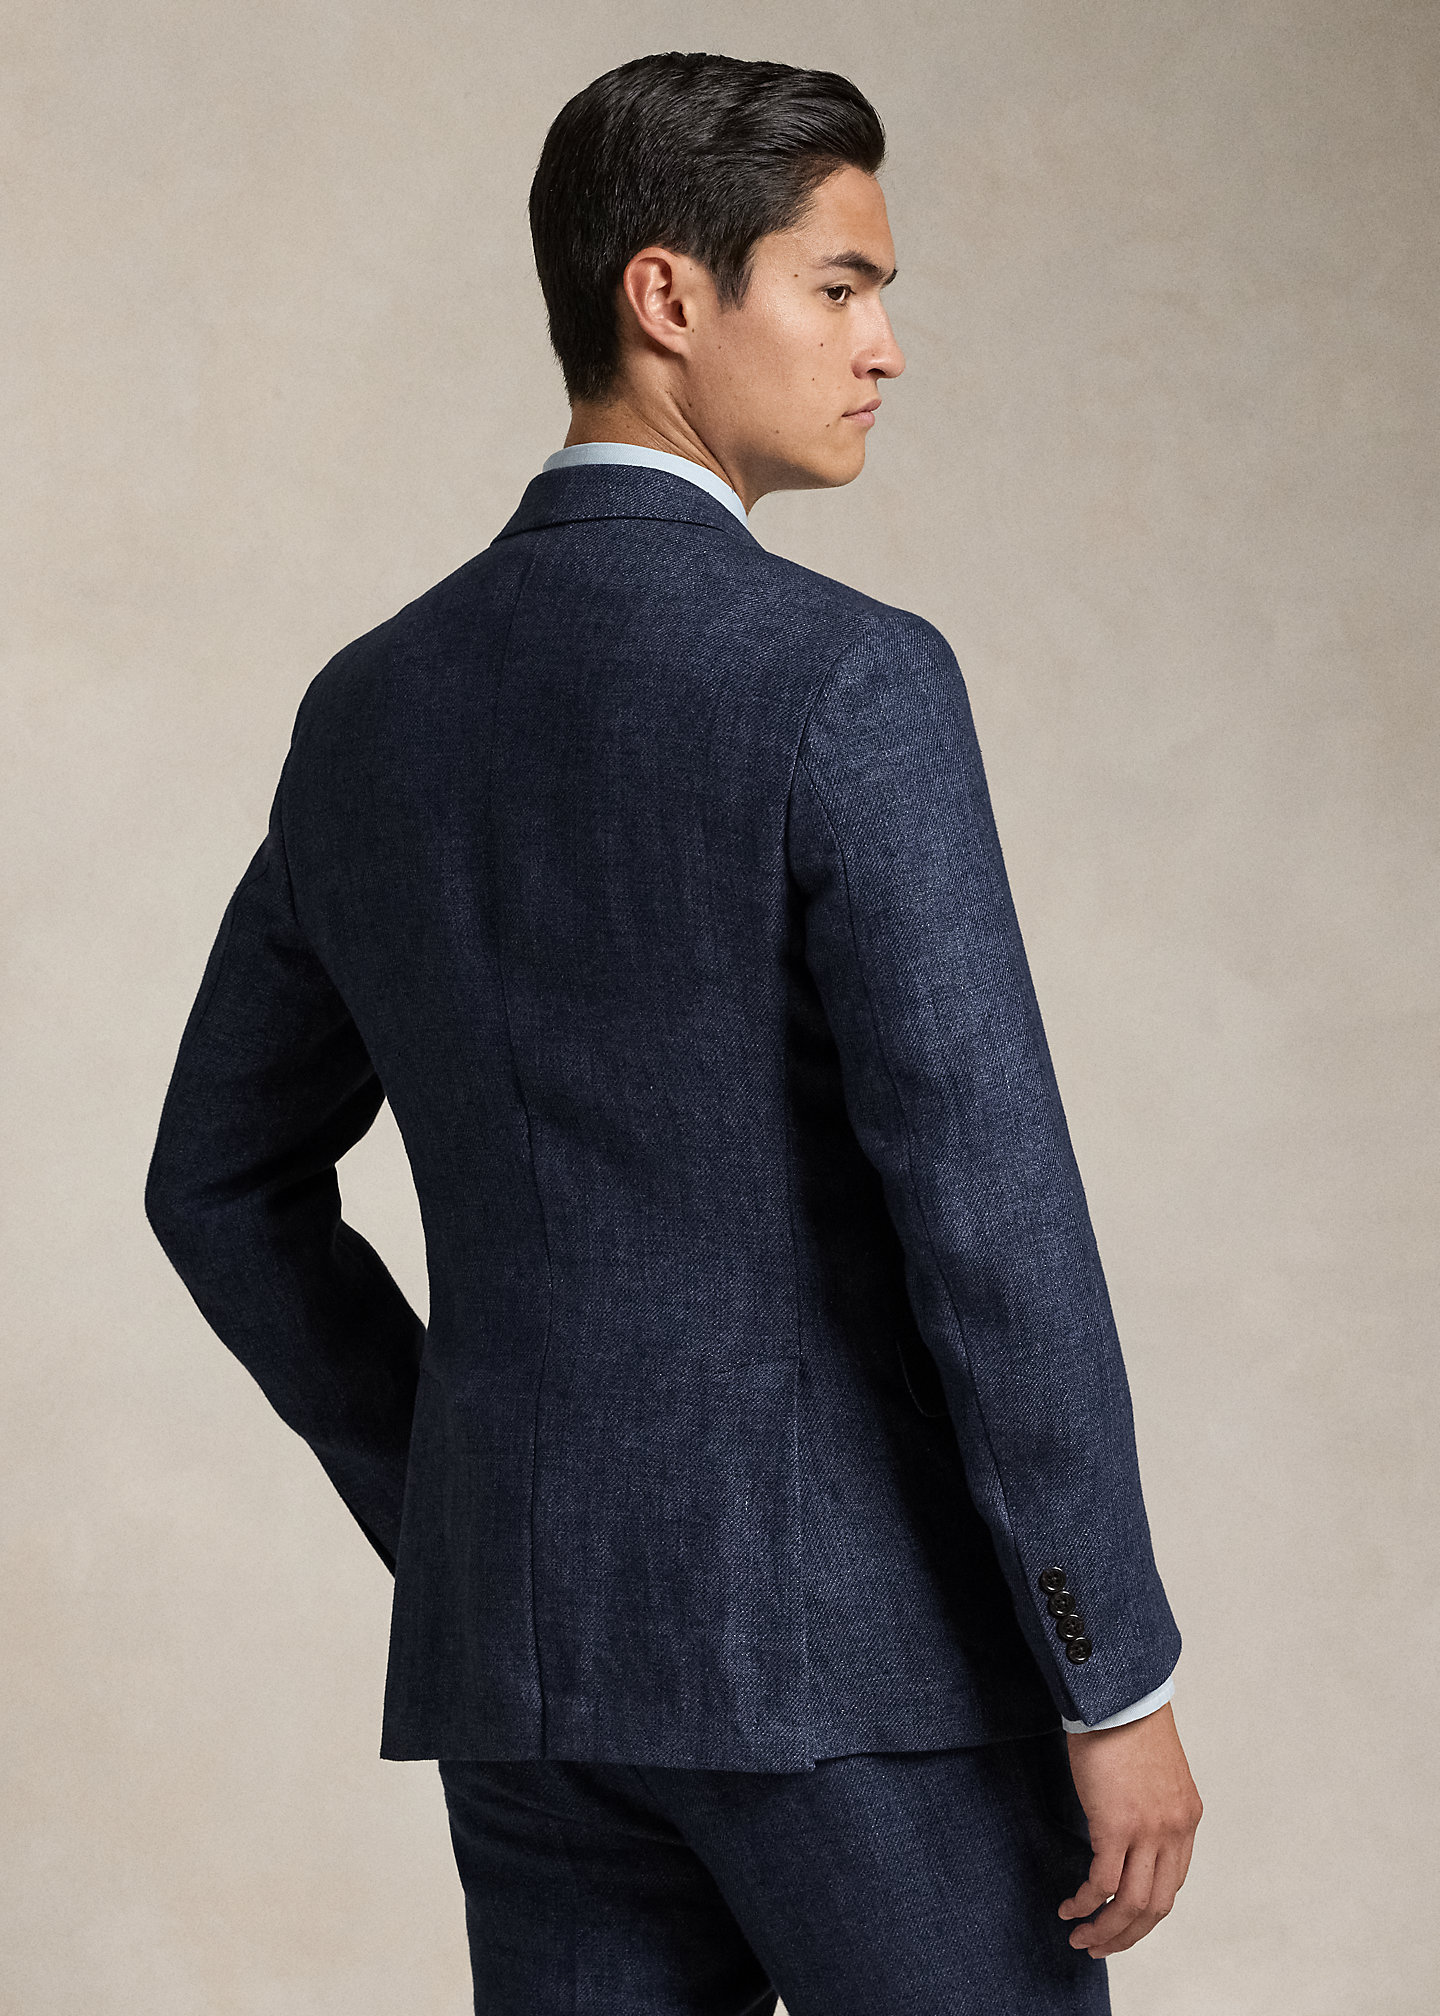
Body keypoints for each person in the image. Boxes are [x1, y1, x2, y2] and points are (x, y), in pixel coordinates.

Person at [144, 49, 1202, 2015]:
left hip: (529, 1683)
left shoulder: (370, 710)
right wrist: (1112, 1672)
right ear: (666, 295)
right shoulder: (848, 684)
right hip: (856, 1674)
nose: (886, 347)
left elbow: (214, 1182)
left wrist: (458, 1512)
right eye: (840, 284)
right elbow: (989, 1220)